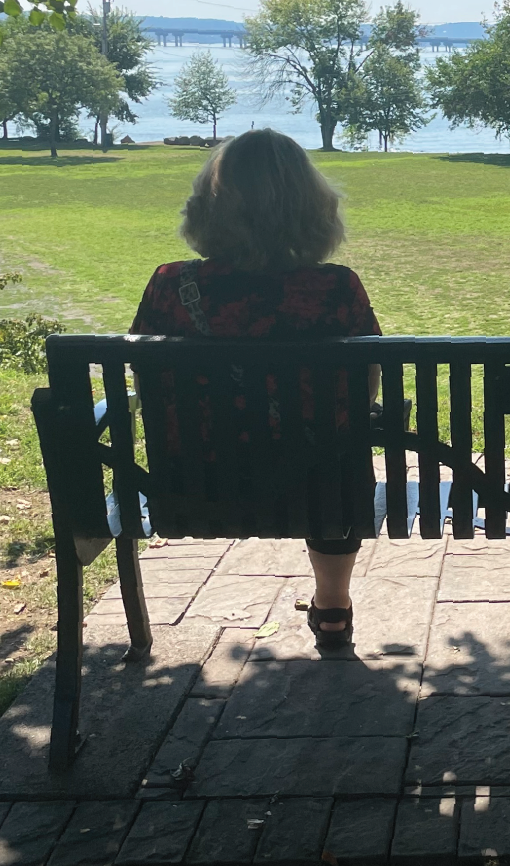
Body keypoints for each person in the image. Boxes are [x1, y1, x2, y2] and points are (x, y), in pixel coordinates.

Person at [130, 128, 379, 650]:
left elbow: (146, 375)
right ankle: (333, 604)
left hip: (196, 486)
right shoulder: (336, 288)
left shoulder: (170, 284)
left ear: (208, 209)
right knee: (335, 450)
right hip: (320, 486)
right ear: (314, 209)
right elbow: (363, 385)